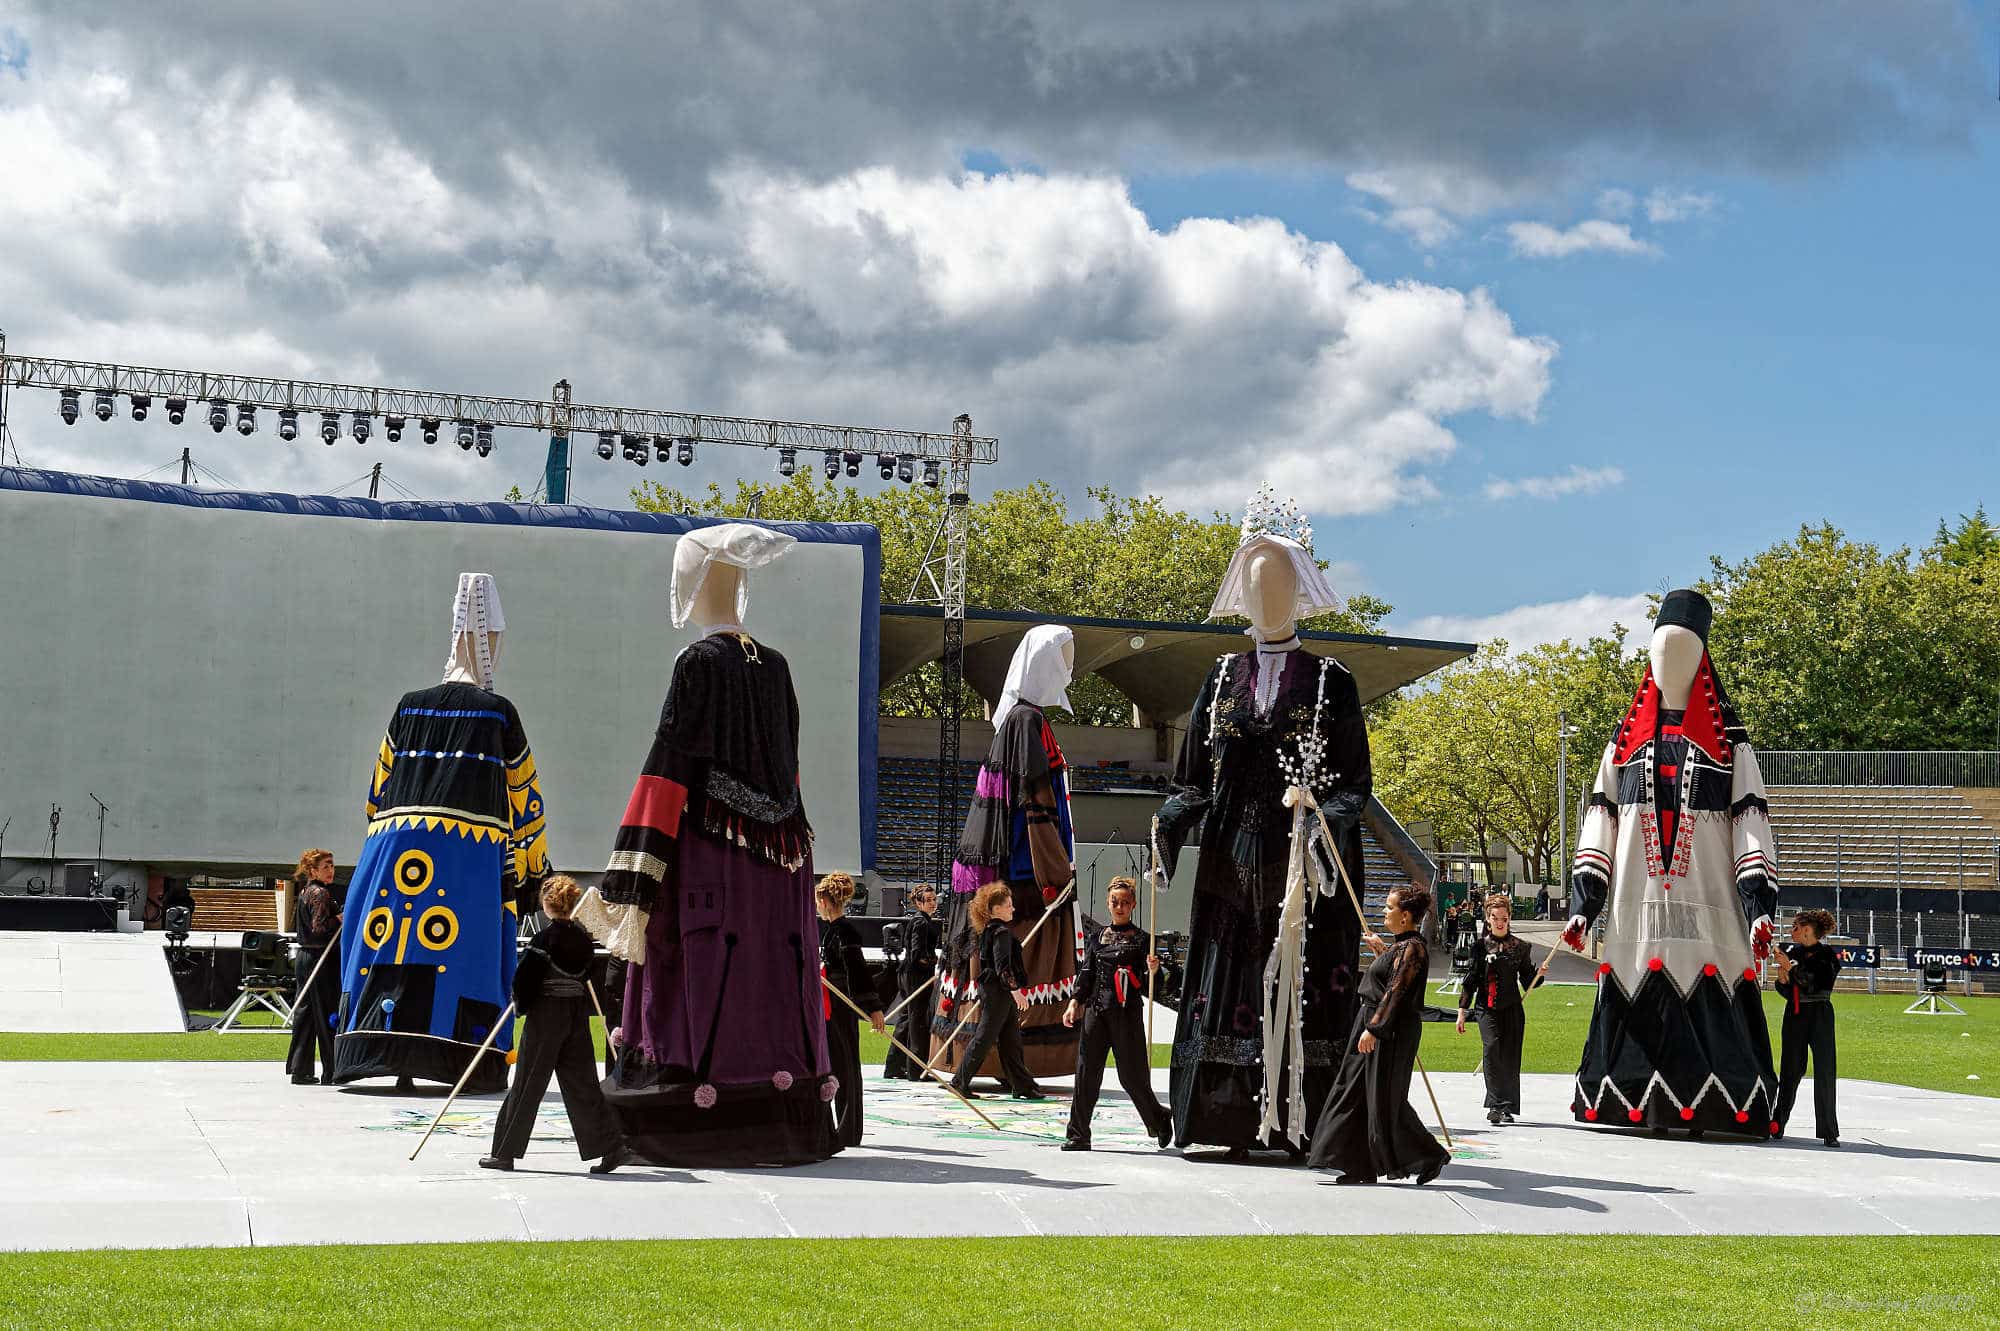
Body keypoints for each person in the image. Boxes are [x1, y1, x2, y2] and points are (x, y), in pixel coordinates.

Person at [335, 573, 552, 1091]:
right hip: (469, 858)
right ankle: (460, 1056)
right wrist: (532, 873)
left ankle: (377, 1049)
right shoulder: (498, 713)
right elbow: (526, 800)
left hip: (391, 848)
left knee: (386, 943)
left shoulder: (409, 705)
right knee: (464, 953)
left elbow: (375, 793)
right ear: (490, 641)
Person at [934, 625, 1082, 1083]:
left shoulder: (1021, 719)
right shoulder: (1027, 722)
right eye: (1065, 657)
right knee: (1014, 972)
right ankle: (1007, 1066)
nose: (1070, 666)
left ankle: (1010, 1069)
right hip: (1025, 872)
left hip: (1019, 866)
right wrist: (1054, 871)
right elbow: (1034, 806)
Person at [481, 876, 630, 1175]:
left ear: (547, 905)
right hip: (575, 1016)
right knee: (583, 1084)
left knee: (527, 1083)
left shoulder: (543, 940)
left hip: (546, 1016)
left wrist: (521, 1004)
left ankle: (505, 1152)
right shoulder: (584, 940)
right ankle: (610, 1147)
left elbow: (524, 981)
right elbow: (588, 977)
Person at [1307, 886, 1448, 1185]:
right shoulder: (1402, 947)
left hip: (1388, 1030)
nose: (1384, 912)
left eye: (1389, 907)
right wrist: (1382, 952)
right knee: (1356, 1092)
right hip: (1375, 1022)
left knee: (1384, 1098)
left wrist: (1374, 1029)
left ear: (1405, 915)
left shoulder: (1413, 948)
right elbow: (1392, 976)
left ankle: (1430, 1155)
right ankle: (1358, 1165)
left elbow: (1396, 992)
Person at [1062, 877, 1171, 1152]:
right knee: (1086, 1074)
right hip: (1096, 1014)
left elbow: (1156, 987)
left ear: (1133, 904)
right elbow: (1086, 973)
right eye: (1115, 902)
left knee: (1132, 1078)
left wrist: (1154, 971)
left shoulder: (1145, 940)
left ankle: (1159, 1118)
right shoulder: (1097, 937)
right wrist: (1075, 1001)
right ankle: (1078, 1134)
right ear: (1108, 904)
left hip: (1127, 1016)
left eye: (1124, 902)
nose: (1119, 907)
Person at [1456, 892, 1548, 1124]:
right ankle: (1495, 1105)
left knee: (1510, 1056)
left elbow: (1528, 982)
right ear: (1487, 918)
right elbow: (1471, 980)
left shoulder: (1521, 947)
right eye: (1495, 918)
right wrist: (1461, 1011)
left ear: (1509, 919)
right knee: (1492, 1048)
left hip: (1512, 1009)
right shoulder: (1478, 947)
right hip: (1486, 1009)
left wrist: (1539, 975)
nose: (1499, 922)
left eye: (1504, 918)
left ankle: (1507, 1107)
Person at [949, 881, 1045, 1100]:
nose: (1013, 909)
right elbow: (1002, 967)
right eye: (1009, 905)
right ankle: (959, 1081)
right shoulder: (1000, 932)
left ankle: (1023, 1085)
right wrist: (1016, 991)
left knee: (1011, 1039)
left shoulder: (990, 931)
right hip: (998, 992)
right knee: (984, 1037)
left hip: (998, 991)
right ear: (996, 909)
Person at [818, 872, 886, 1146]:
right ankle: (839, 1126)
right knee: (834, 1063)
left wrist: (874, 1009)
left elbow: (857, 973)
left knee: (845, 1065)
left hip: (841, 1004)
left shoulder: (845, 931)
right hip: (830, 1003)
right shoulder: (834, 930)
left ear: (824, 900)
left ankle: (848, 1129)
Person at [1772, 908, 1841, 1148]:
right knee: (1790, 1070)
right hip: (1795, 1015)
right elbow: (1787, 990)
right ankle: (1777, 1122)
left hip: (1820, 1014)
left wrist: (1790, 970)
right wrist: (1782, 977)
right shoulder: (1792, 952)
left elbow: (1813, 984)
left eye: (1796, 927)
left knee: (1824, 1070)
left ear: (1808, 930)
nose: (1792, 931)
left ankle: (1829, 1131)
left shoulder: (1828, 957)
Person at [285, 848, 341, 1086]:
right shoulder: (319, 893)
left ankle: (300, 1070)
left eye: (332, 865)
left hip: (306, 957)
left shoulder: (308, 891)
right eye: (325, 866)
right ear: (312, 870)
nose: (331, 870)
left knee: (306, 1014)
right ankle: (331, 1070)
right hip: (319, 958)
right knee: (326, 1014)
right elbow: (320, 928)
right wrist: (339, 919)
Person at [885, 884, 941, 1081]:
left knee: (906, 1019)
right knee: (917, 1021)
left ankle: (893, 1065)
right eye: (929, 900)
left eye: (934, 899)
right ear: (918, 902)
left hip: (908, 973)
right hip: (916, 976)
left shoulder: (920, 921)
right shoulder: (921, 923)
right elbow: (918, 954)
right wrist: (934, 961)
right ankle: (917, 1070)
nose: (933, 903)